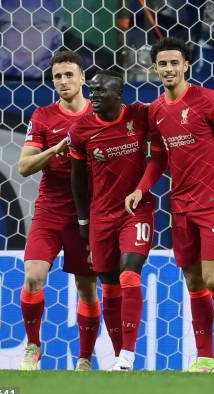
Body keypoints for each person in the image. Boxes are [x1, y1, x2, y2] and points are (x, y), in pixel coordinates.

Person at [124, 37, 214, 373]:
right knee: (193, 283)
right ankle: (205, 358)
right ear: (155, 67)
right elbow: (159, 157)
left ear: (186, 65)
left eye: (175, 63)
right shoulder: (156, 110)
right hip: (181, 206)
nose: (169, 69)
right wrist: (141, 188)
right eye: (162, 64)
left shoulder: (207, 100)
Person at [68, 70, 155, 371]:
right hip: (100, 216)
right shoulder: (80, 130)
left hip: (136, 211)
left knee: (129, 275)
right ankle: (122, 361)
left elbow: (176, 118)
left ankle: (128, 354)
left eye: (100, 90)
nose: (93, 95)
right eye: (91, 90)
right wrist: (83, 223)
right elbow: (78, 182)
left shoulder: (139, 116)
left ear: (119, 94)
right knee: (109, 288)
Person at [18, 50, 98, 371]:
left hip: (88, 214)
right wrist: (56, 149)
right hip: (50, 210)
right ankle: (33, 346)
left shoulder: (100, 115)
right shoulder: (43, 116)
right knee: (33, 276)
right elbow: (24, 166)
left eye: (69, 75)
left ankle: (84, 359)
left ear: (82, 78)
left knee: (87, 288)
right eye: (57, 77)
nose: (63, 82)